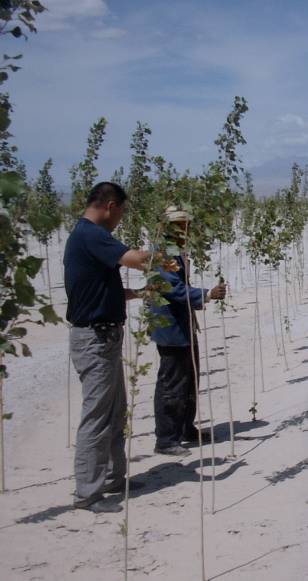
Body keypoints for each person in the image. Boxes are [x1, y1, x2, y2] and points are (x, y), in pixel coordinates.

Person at [64, 182, 168, 513]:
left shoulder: (87, 237)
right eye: (121, 213)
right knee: (97, 416)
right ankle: (87, 493)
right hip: (93, 339)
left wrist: (137, 293)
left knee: (114, 412)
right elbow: (137, 259)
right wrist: (167, 257)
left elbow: (101, 290)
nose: (119, 220)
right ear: (111, 206)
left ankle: (111, 477)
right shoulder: (91, 234)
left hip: (105, 338)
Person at [151, 208, 226, 457]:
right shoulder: (163, 253)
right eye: (182, 226)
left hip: (183, 325)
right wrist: (207, 294)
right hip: (170, 328)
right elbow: (172, 288)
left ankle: (185, 428)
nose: (187, 231)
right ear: (170, 227)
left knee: (190, 379)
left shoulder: (176, 252)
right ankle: (166, 439)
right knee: (172, 383)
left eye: (188, 225)